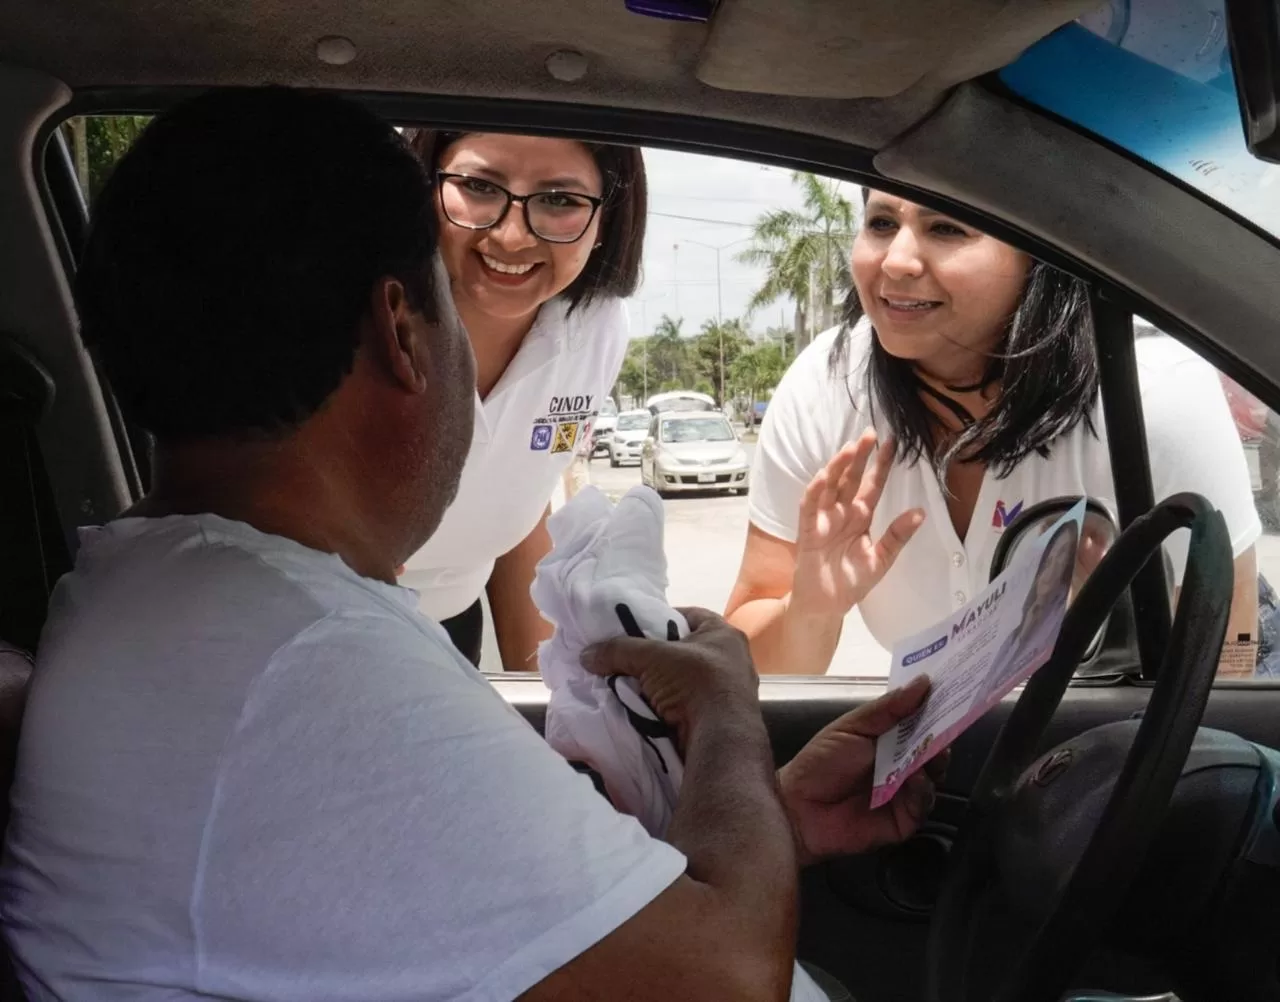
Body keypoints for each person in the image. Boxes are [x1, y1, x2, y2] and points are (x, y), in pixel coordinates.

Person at [0, 88, 943, 1002]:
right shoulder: (306, 665)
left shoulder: (200, 610)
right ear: (401, 332)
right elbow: (728, 982)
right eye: (447, 303)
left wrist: (760, 815)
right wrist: (729, 716)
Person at [727, 189, 1261, 675]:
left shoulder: (1155, 393)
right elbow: (749, 674)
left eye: (946, 229)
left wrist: (1117, 632)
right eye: (882, 223)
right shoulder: (827, 386)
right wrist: (810, 611)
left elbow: (1224, 677)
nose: (896, 260)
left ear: (1040, 251)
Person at [396, 128, 644, 669]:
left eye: (559, 200)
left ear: (608, 218)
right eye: (479, 186)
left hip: (453, 628)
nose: (511, 236)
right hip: (304, 617)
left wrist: (547, 704)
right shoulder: (359, 305)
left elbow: (522, 492)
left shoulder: (596, 327)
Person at [979, 519, 1079, 703]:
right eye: (1049, 558)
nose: (1053, 566)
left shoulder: (1066, 620)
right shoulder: (1011, 628)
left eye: (1063, 555)